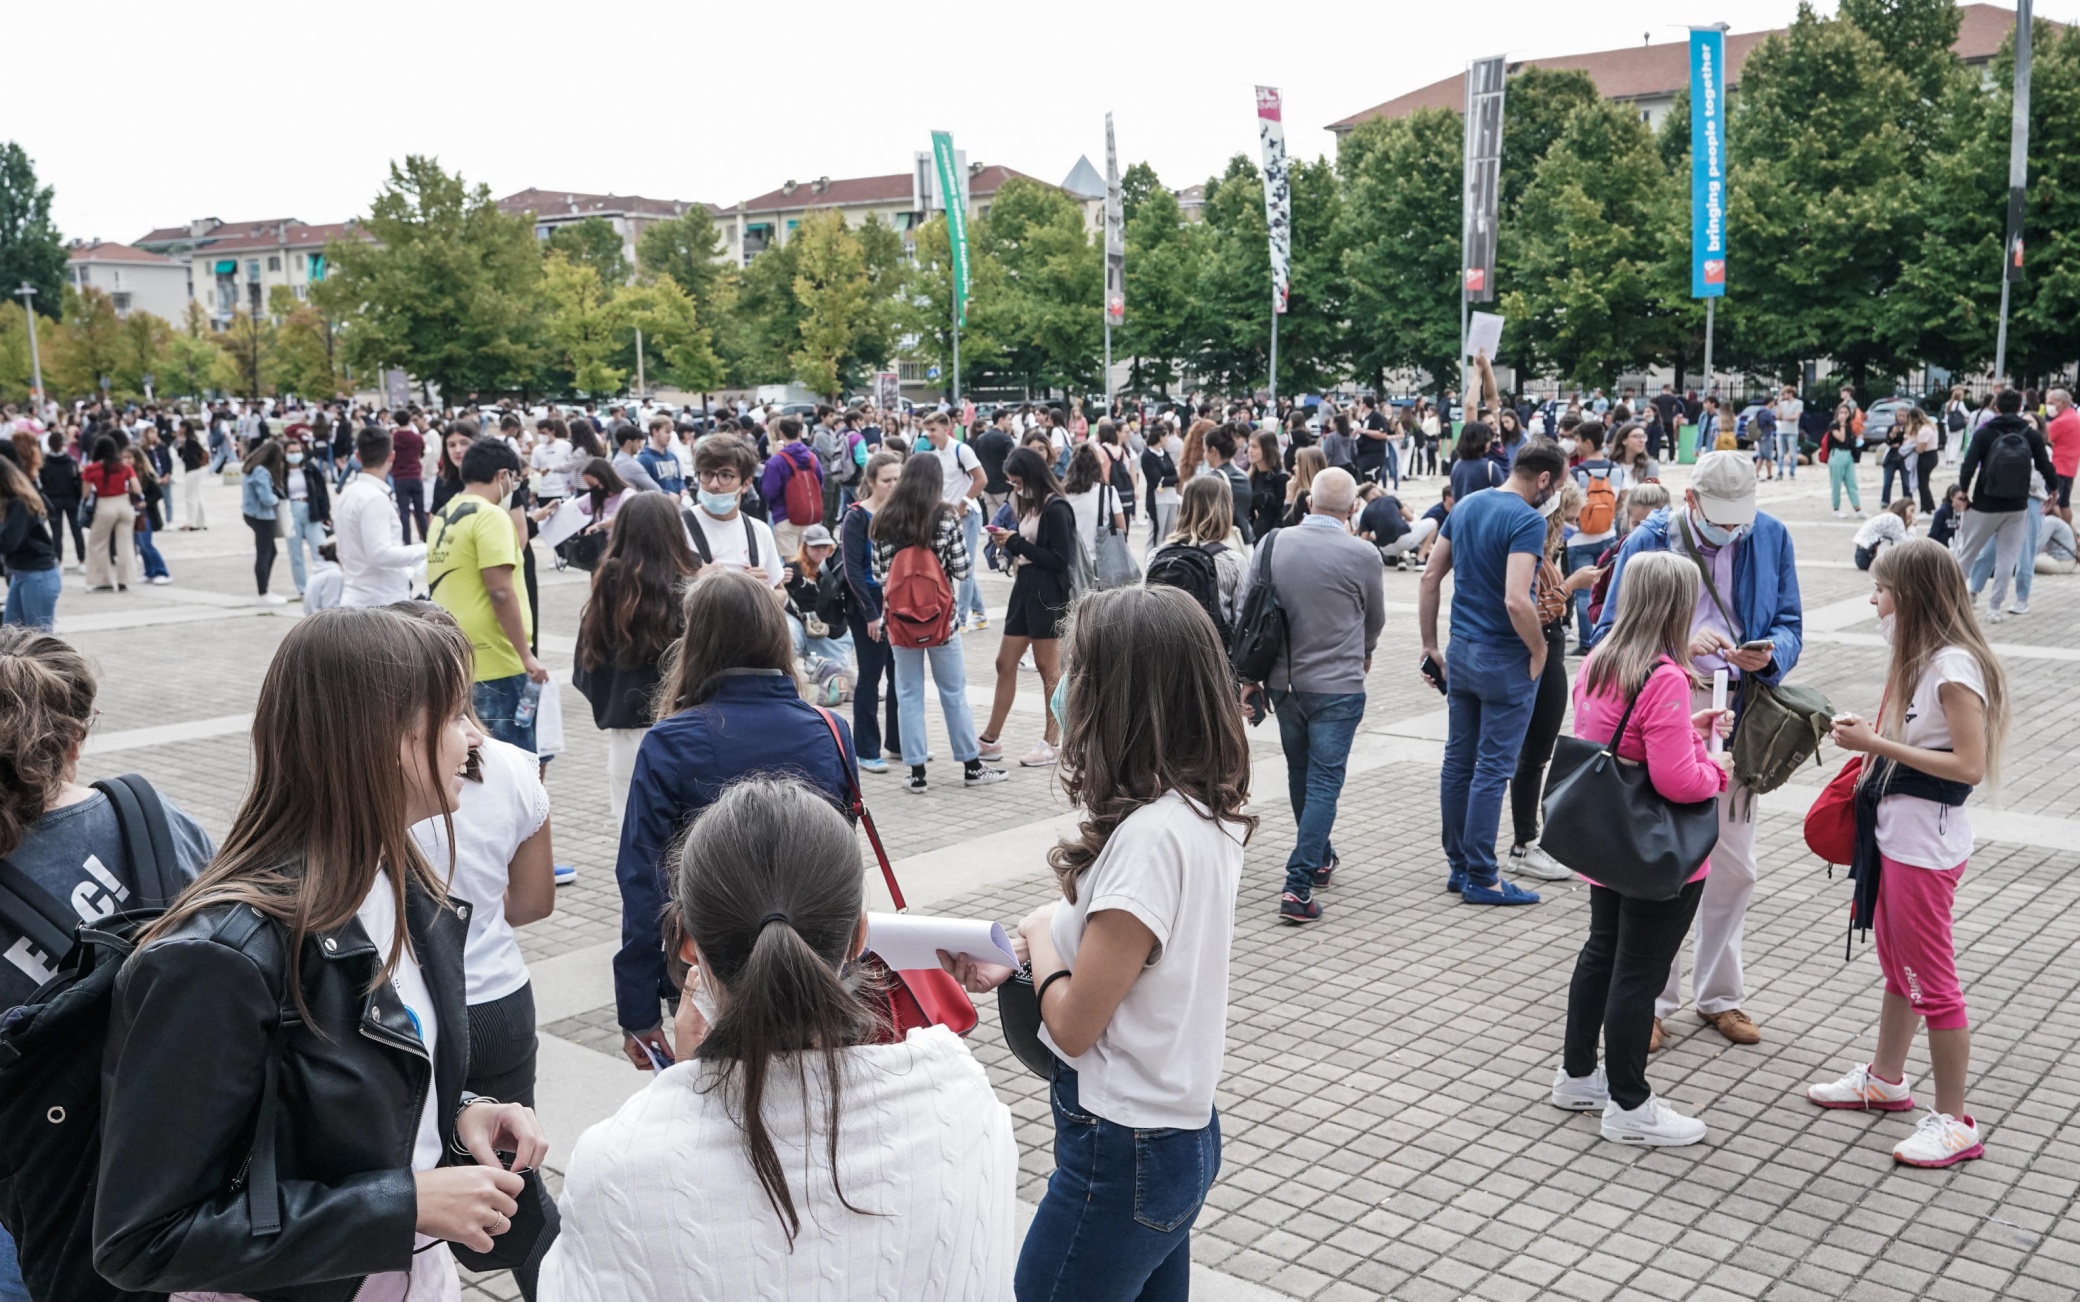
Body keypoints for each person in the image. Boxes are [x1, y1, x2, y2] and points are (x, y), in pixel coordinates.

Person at [93, 609, 546, 1300]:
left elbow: (340, 1101)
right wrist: (405, 1205)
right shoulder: (220, 958)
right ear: (390, 738)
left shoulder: (405, 887)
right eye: (456, 715)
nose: (474, 739)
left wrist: (460, 1116)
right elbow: (143, 1238)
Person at [549, 777, 1016, 1299]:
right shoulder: (959, 1095)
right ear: (859, 938)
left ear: (686, 943)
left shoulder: (617, 1163)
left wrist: (686, 1081)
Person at [945, 585, 1249, 1301]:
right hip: (1179, 1133)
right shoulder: (1199, 812)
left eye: (1078, 673)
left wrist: (1043, 939)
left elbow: (1076, 1027)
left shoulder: (1148, 840)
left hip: (1123, 1150)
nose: (1064, 689)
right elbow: (1130, 942)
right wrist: (1028, 941)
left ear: (1117, 697)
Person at [1806, 538, 2008, 1168]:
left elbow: (1969, 766)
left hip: (1925, 844)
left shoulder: (1951, 668)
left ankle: (1955, 1120)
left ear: (1912, 597)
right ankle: (1886, 1079)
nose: (1873, 600)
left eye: (1882, 589)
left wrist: (1878, 745)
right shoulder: (1921, 657)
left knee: (1933, 983)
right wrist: (1870, 737)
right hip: (1899, 835)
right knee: (1902, 969)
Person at [1592, 451, 1803, 1050]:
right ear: (1690, 501)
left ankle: (1720, 996)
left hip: (1740, 705)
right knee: (1661, 856)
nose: (1735, 532)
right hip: (1667, 703)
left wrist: (1772, 652)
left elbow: (1790, 620)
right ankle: (1650, 999)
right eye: (1723, 520)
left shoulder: (1771, 534)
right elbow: (1612, 631)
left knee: (1735, 863)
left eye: (1742, 521)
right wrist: (1678, 640)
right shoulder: (1650, 539)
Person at [612, 568, 860, 1071]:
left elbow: (644, 879)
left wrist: (637, 1008)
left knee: (713, 1111)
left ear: (696, 641)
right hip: (814, 959)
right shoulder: (831, 731)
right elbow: (839, 859)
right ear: (776, 636)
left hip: (710, 967)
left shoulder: (670, 741)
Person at [1553, 553, 1733, 1146]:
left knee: (1601, 953)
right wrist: (1717, 767)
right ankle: (1630, 1105)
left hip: (1608, 840)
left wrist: (1686, 728)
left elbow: (1616, 739)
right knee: (1640, 972)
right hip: (1659, 850)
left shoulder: (1601, 661)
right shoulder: (1665, 677)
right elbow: (1678, 781)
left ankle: (1578, 1075)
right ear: (1678, 607)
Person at [397, 603, 557, 1125]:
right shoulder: (515, 767)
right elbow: (533, 903)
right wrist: (479, 912)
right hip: (496, 995)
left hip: (401, 1011)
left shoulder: (381, 778)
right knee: (511, 1169)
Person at [1420, 442, 1570, 906]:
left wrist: (1430, 646)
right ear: (1543, 479)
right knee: (1491, 768)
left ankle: (1459, 866)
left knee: (1458, 762)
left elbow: (1429, 577)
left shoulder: (1466, 505)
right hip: (1505, 657)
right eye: (1559, 484)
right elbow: (1516, 598)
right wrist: (1540, 649)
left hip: (1462, 653)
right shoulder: (1525, 520)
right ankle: (1483, 877)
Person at [1235, 468, 1384, 924]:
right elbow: (1374, 618)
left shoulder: (1272, 544)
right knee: (1323, 781)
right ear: (1353, 508)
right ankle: (1298, 884)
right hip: (1338, 685)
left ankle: (1319, 856)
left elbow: (1249, 612)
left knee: (1302, 774)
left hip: (1284, 684)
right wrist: (1366, 652)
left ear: (1306, 500)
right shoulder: (1363, 555)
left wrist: (1249, 677)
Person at [871, 454, 1005, 794]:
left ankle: (916, 772)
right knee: (953, 693)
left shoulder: (883, 518)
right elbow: (962, 569)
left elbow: (877, 575)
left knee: (908, 693)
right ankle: (971, 765)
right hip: (941, 620)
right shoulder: (944, 516)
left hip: (900, 623)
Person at [574, 492, 700, 819]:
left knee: (631, 842)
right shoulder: (690, 588)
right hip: (685, 728)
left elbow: (585, 669)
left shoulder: (607, 590)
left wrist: (614, 701)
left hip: (626, 736)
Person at [428, 439, 549, 752]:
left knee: (470, 761)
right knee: (509, 761)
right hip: (497, 658)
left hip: (457, 655)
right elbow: (500, 590)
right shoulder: (491, 516)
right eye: (515, 480)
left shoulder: (445, 513)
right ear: (503, 475)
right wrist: (526, 655)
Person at [1506, 482, 1600, 883]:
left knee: (1535, 754)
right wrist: (1571, 585)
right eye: (1570, 517)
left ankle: (1529, 840)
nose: (1573, 526)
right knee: (1534, 755)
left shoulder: (1539, 553)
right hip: (1542, 653)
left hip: (1547, 654)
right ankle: (1526, 842)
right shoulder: (1534, 556)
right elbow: (1535, 609)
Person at [979, 447, 1077, 770]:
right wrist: (1009, 543)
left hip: (1047, 593)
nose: (1014, 488)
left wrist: (1016, 543)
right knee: (1004, 661)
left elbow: (1060, 560)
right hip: (1025, 589)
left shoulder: (1056, 507)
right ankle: (990, 738)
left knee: (1048, 668)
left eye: (1017, 482)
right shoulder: (1030, 504)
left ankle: (1053, 740)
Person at [1955, 388, 2058, 623]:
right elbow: (2044, 464)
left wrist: (1963, 491)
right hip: (2017, 505)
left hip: (1984, 503)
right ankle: (1994, 608)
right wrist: (2053, 490)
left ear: (1996, 408)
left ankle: (1953, 601)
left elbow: (1968, 465)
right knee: (2007, 558)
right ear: (2020, 408)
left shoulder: (1985, 432)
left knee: (1968, 553)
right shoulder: (2029, 434)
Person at [842, 452, 904, 773]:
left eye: (897, 479)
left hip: (898, 601)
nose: (893, 486)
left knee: (900, 675)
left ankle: (898, 742)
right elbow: (852, 570)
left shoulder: (901, 514)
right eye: (886, 480)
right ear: (870, 482)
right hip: (867, 601)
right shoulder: (856, 517)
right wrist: (870, 613)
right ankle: (866, 749)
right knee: (870, 675)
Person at [336, 425, 429, 608]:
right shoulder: (373, 499)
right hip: (379, 601)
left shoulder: (349, 493)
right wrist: (424, 549)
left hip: (362, 595)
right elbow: (380, 553)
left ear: (358, 457)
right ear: (391, 456)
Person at [918, 412, 988, 631]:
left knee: (964, 566)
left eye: (933, 430)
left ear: (946, 428)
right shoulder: (936, 455)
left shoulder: (961, 450)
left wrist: (964, 503)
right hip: (948, 517)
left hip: (968, 515)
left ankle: (963, 618)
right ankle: (980, 612)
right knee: (960, 564)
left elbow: (981, 479)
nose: (929, 435)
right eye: (926, 430)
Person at [0, 454, 60, 629]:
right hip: (23, 572)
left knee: (39, 639)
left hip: (37, 574)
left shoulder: (19, 503)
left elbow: (9, 541)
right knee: (11, 634)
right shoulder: (11, 503)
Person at [783, 523, 854, 666]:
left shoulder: (839, 567)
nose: (821, 550)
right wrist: (779, 580)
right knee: (789, 632)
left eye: (825, 546)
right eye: (815, 546)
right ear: (805, 547)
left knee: (838, 674)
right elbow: (775, 595)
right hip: (801, 624)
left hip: (831, 628)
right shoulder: (791, 570)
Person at [760, 415, 824, 561]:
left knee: (791, 565)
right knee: (809, 561)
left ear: (781, 433)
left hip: (785, 516)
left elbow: (769, 491)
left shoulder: (776, 461)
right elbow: (820, 483)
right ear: (800, 432)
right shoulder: (812, 458)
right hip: (810, 515)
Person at [81, 435, 140, 593]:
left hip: (105, 505)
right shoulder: (125, 466)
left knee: (98, 544)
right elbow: (137, 488)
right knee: (125, 544)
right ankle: (124, 580)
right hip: (124, 504)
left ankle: (103, 581)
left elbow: (86, 493)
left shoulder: (91, 468)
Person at [279, 432, 332, 596]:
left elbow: (322, 491)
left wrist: (326, 514)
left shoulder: (310, 469)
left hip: (311, 509)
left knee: (320, 549)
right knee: (296, 554)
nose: (295, 455)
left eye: (297, 451)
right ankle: (303, 588)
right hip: (291, 510)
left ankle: (323, 584)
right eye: (291, 452)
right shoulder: (281, 472)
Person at [239, 437, 288, 605]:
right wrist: (278, 499)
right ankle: (263, 592)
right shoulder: (261, 471)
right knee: (264, 552)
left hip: (252, 514)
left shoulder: (251, 468)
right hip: (262, 516)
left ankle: (264, 589)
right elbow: (266, 498)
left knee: (269, 551)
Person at [37, 430, 84, 571]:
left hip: (52, 500)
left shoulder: (44, 463)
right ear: (63, 444)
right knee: (76, 530)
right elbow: (78, 481)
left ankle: (59, 561)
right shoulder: (71, 461)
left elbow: (41, 484)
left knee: (56, 533)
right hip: (71, 498)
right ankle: (81, 560)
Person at [1202, 423, 1253, 543]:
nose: (1204, 455)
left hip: (1220, 542)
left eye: (1205, 450)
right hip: (1243, 540)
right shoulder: (1243, 476)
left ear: (1213, 450)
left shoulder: (1211, 481)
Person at [1141, 415, 1183, 557]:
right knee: (1156, 534)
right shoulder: (1148, 455)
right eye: (1165, 436)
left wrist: (1170, 478)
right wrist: (1170, 478)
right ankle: (1150, 561)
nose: (1167, 439)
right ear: (1160, 437)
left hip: (1170, 496)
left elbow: (1172, 474)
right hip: (1158, 498)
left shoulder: (1164, 453)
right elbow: (1157, 479)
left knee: (1169, 533)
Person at [391, 411, 429, 541]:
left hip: (399, 477)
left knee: (404, 513)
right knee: (420, 511)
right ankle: (426, 539)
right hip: (415, 475)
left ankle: (406, 541)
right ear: (409, 420)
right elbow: (422, 452)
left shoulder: (393, 439)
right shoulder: (417, 438)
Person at [1246, 429, 1289, 543]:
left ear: (1266, 450)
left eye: (1254, 447)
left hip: (1272, 537)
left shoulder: (1280, 478)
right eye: (1249, 446)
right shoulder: (1251, 476)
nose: (1249, 450)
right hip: (1255, 535)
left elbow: (1281, 514)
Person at [1821, 407, 1865, 517]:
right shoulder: (1834, 426)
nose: (1843, 415)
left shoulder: (1850, 426)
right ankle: (1836, 508)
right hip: (1837, 455)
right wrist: (1841, 425)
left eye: (1846, 413)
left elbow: (1850, 441)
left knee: (1852, 483)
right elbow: (1841, 438)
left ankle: (1857, 508)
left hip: (1848, 455)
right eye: (1841, 412)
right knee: (1836, 483)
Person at [1854, 499, 1916, 570]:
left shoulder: (1888, 515)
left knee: (1889, 541)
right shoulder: (1895, 519)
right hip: (1867, 557)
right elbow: (1907, 543)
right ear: (1903, 508)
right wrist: (1912, 527)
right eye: (1911, 511)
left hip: (1862, 554)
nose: (1912, 515)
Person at [639, 415, 688, 498]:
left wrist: (683, 489)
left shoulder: (672, 456)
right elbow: (645, 487)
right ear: (655, 432)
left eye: (671, 432)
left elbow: (679, 480)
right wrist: (666, 494)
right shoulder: (644, 459)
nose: (670, 436)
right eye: (667, 432)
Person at [174, 420, 208, 529]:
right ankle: (201, 522)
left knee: (190, 497)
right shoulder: (193, 439)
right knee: (197, 495)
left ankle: (192, 522)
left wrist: (181, 445)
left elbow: (185, 457)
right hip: (196, 469)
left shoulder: (189, 441)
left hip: (192, 470)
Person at [1771, 385, 1804, 480]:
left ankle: (1792, 472)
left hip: (1792, 431)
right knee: (1780, 453)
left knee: (1793, 453)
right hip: (1781, 431)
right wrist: (1778, 404)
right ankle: (1780, 472)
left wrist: (1784, 418)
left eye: (1784, 394)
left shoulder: (1798, 403)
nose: (1783, 396)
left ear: (1790, 394)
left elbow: (1795, 417)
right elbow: (1778, 416)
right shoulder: (1783, 404)